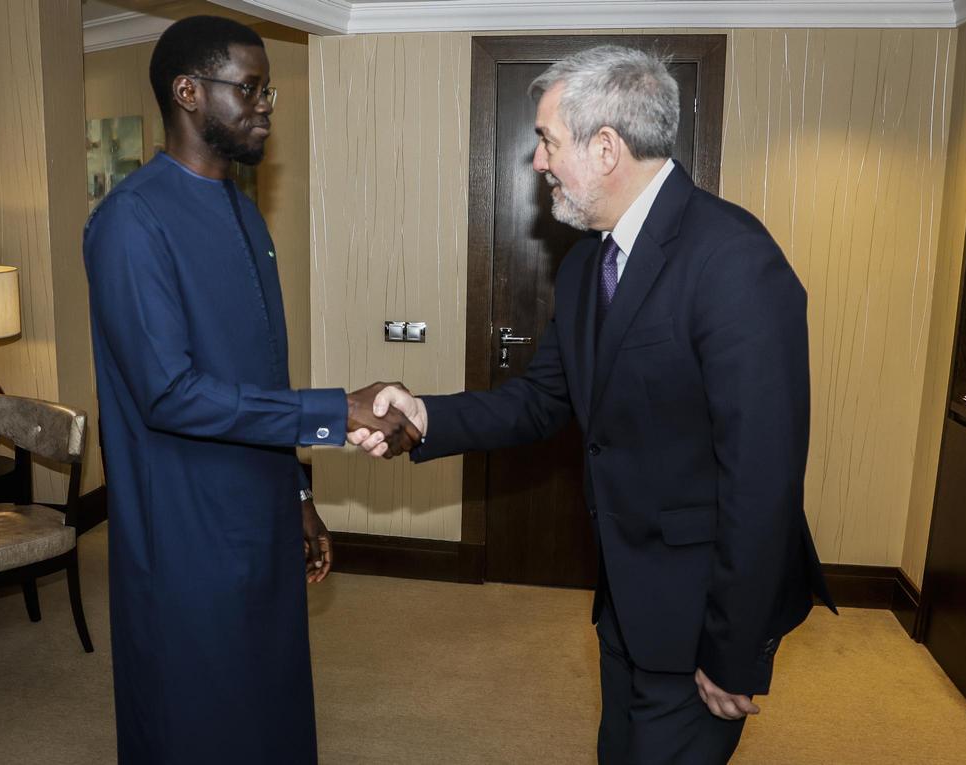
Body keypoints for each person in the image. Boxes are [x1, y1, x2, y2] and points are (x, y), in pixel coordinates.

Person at [357, 46, 835, 764]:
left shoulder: (733, 258)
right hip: (627, 601)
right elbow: (542, 399)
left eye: (547, 140)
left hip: (703, 614)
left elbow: (762, 479)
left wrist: (736, 650)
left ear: (606, 147)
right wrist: (423, 413)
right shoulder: (587, 265)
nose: (538, 162)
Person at [82, 16, 419, 764]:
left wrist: (298, 494)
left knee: (272, 702)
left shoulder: (242, 207)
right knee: (197, 712)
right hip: (187, 524)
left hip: (260, 506)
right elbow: (168, 392)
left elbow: (261, 375)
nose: (267, 104)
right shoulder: (131, 223)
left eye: (268, 90)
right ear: (188, 92)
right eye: (252, 88)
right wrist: (337, 409)